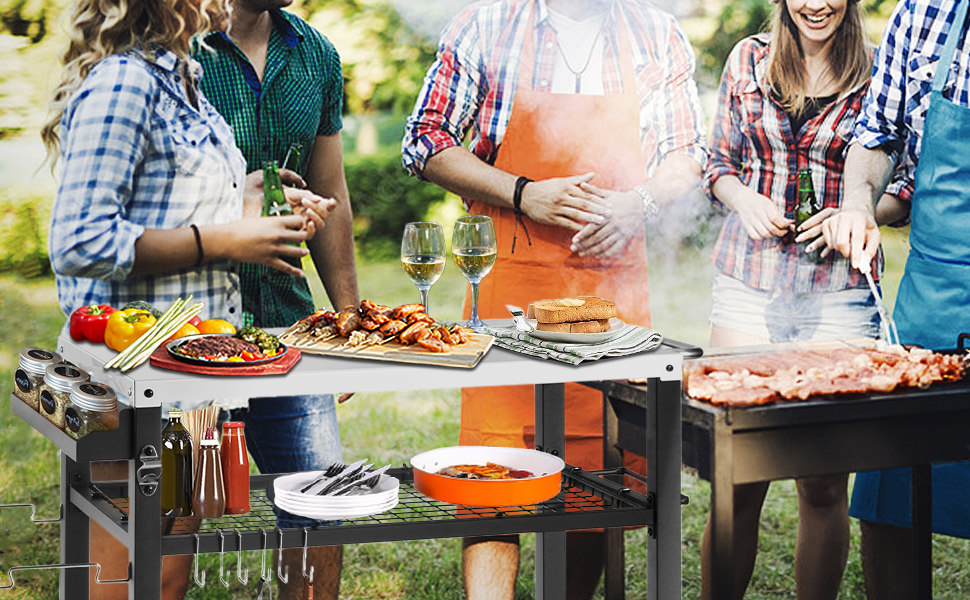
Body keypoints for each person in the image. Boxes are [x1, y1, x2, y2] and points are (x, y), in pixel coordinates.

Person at [402, 0, 706, 598]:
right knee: (490, 476)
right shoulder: (487, 23)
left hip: (612, 300)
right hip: (509, 282)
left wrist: (638, 204)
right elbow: (424, 142)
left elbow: (686, 156)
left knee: (603, 477)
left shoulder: (654, 31)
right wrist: (522, 193)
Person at [40, 0, 333, 596]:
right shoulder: (124, 82)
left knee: (168, 565)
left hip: (186, 372)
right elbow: (78, 240)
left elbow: (168, 202)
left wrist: (250, 202)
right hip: (125, 373)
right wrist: (226, 237)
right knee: (121, 565)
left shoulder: (182, 80)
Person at [699, 0, 910, 598]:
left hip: (841, 295)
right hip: (747, 284)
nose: (816, 3)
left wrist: (856, 212)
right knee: (736, 474)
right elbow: (718, 164)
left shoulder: (880, 72)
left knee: (821, 481)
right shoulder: (749, 60)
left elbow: (907, 186)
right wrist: (743, 200)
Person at [192, 0, 360, 596]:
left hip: (287, 332)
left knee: (319, 517)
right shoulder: (175, 46)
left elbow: (330, 188)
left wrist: (347, 319)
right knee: (172, 528)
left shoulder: (315, 53)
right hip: (190, 335)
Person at [820, 0, 970, 597]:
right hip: (932, 301)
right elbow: (877, 137)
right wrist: (858, 202)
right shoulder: (924, 11)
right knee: (892, 504)